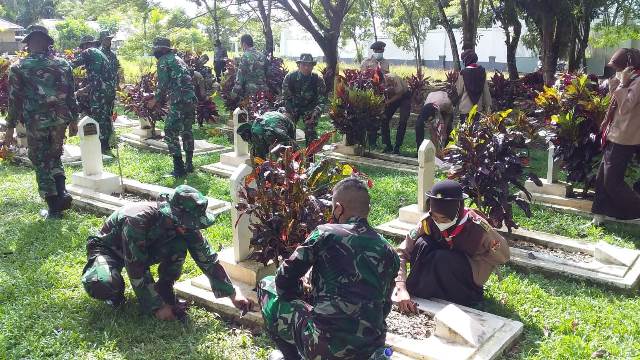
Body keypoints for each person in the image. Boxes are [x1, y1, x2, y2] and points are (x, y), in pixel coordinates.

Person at [257, 177, 400, 360]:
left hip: (324, 348)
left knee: (267, 286)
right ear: (368, 210)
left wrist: (298, 295)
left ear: (338, 208)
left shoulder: (326, 233)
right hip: (370, 349)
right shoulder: (389, 251)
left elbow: (284, 278)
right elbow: (384, 307)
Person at [81, 185, 252, 320]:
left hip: (145, 248)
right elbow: (136, 266)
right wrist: (157, 307)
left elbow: (207, 257)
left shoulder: (186, 226)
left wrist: (233, 295)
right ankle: (115, 292)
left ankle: (163, 287)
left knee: (178, 244)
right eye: (187, 223)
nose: (191, 227)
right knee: (103, 283)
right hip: (109, 249)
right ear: (173, 216)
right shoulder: (137, 220)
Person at [393, 180, 509, 310]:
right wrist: (401, 286)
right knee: (422, 243)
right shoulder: (427, 221)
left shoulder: (477, 227)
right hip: (438, 264)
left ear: (457, 211)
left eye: (444, 219)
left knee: (442, 258)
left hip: (464, 279)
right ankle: (419, 288)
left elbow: (503, 256)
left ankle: (459, 297)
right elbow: (402, 252)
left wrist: (477, 255)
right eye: (435, 218)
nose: (438, 223)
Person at [3, 25, 78, 219]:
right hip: (60, 121)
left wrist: (10, 129)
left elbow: (14, 100)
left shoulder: (19, 67)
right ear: (47, 44)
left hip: (36, 122)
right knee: (55, 156)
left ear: (27, 44)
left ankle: (54, 207)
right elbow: (71, 96)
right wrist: (74, 120)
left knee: (40, 161)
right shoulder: (63, 64)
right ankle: (62, 193)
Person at [592, 48, 640, 222]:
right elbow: (617, 103)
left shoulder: (637, 81)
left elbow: (626, 108)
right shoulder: (630, 80)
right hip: (615, 134)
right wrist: (616, 86)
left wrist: (621, 84)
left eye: (619, 67)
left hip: (625, 138)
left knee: (612, 182)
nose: (616, 71)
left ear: (630, 66)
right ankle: (599, 215)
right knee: (602, 178)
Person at [146, 38, 198, 177]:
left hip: (179, 100)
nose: (155, 52)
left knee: (170, 131)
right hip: (190, 99)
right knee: (187, 130)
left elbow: (162, 85)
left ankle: (179, 168)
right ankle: (189, 164)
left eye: (156, 49)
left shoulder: (164, 61)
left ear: (162, 49)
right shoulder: (178, 59)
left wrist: (155, 100)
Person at [72, 34, 114, 153]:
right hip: (109, 90)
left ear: (85, 45)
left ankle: (99, 146)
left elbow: (73, 64)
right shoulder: (100, 53)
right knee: (106, 117)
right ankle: (105, 145)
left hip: (100, 91)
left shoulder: (89, 51)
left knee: (98, 116)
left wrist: (81, 91)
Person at [282, 53, 327, 146]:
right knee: (288, 128)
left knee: (311, 131)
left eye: (309, 65)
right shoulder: (290, 77)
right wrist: (289, 113)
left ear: (312, 66)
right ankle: (290, 155)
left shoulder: (317, 79)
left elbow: (322, 101)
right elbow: (286, 97)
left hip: (310, 108)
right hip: (293, 107)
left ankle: (310, 157)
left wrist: (315, 113)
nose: (306, 67)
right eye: (304, 64)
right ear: (299, 65)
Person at [379, 72, 411, 154]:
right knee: (384, 117)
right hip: (393, 97)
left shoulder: (393, 77)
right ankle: (388, 145)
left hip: (404, 97)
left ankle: (397, 146)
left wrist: (388, 102)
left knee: (403, 121)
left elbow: (399, 94)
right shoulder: (379, 81)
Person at [456, 49, 492, 122]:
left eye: (463, 60)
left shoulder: (463, 73)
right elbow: (486, 91)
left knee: (464, 132)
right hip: (478, 109)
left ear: (466, 60)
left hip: (465, 108)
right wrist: (488, 107)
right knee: (475, 131)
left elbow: (459, 92)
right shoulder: (482, 72)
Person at [98, 30, 120, 138]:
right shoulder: (98, 54)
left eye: (110, 39)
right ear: (102, 40)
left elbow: (117, 70)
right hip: (101, 89)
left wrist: (118, 84)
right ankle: (103, 138)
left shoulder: (112, 55)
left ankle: (109, 135)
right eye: (107, 39)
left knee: (109, 113)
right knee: (101, 113)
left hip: (111, 89)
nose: (109, 42)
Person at [232, 34, 268, 99]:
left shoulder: (246, 56)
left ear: (244, 44)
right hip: (263, 90)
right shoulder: (262, 55)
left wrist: (234, 92)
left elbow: (241, 75)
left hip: (251, 91)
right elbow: (267, 72)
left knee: (251, 108)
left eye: (241, 44)